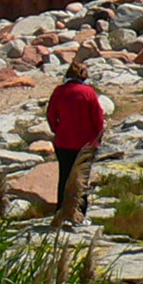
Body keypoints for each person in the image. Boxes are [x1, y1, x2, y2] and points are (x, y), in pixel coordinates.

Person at [44, 60, 105, 225]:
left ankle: (61, 212)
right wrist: (98, 137)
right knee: (81, 179)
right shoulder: (88, 92)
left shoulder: (59, 91)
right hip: (85, 144)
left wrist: (58, 130)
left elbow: (51, 115)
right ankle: (79, 215)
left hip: (63, 142)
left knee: (64, 177)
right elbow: (98, 119)